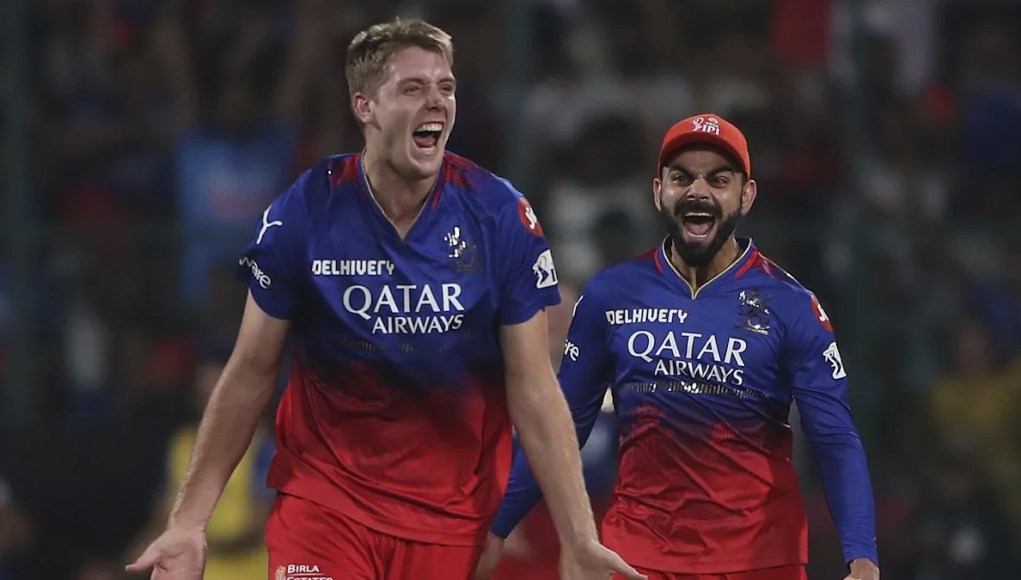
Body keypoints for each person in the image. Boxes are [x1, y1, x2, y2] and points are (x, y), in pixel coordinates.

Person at [127, 18, 643, 580]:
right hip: (325, 508)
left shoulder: (500, 215)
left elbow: (534, 386)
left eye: (446, 88)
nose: (437, 103)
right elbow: (250, 368)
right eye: (413, 88)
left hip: (447, 523)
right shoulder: (306, 210)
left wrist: (578, 536)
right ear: (365, 107)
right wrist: (188, 522)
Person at [480, 114, 880, 580]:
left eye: (718, 179)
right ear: (658, 192)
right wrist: (496, 527)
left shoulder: (792, 307)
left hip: (759, 560)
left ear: (745, 196)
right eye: (682, 177)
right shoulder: (611, 295)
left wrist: (863, 558)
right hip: (639, 559)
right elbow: (561, 424)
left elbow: (835, 438)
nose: (698, 191)